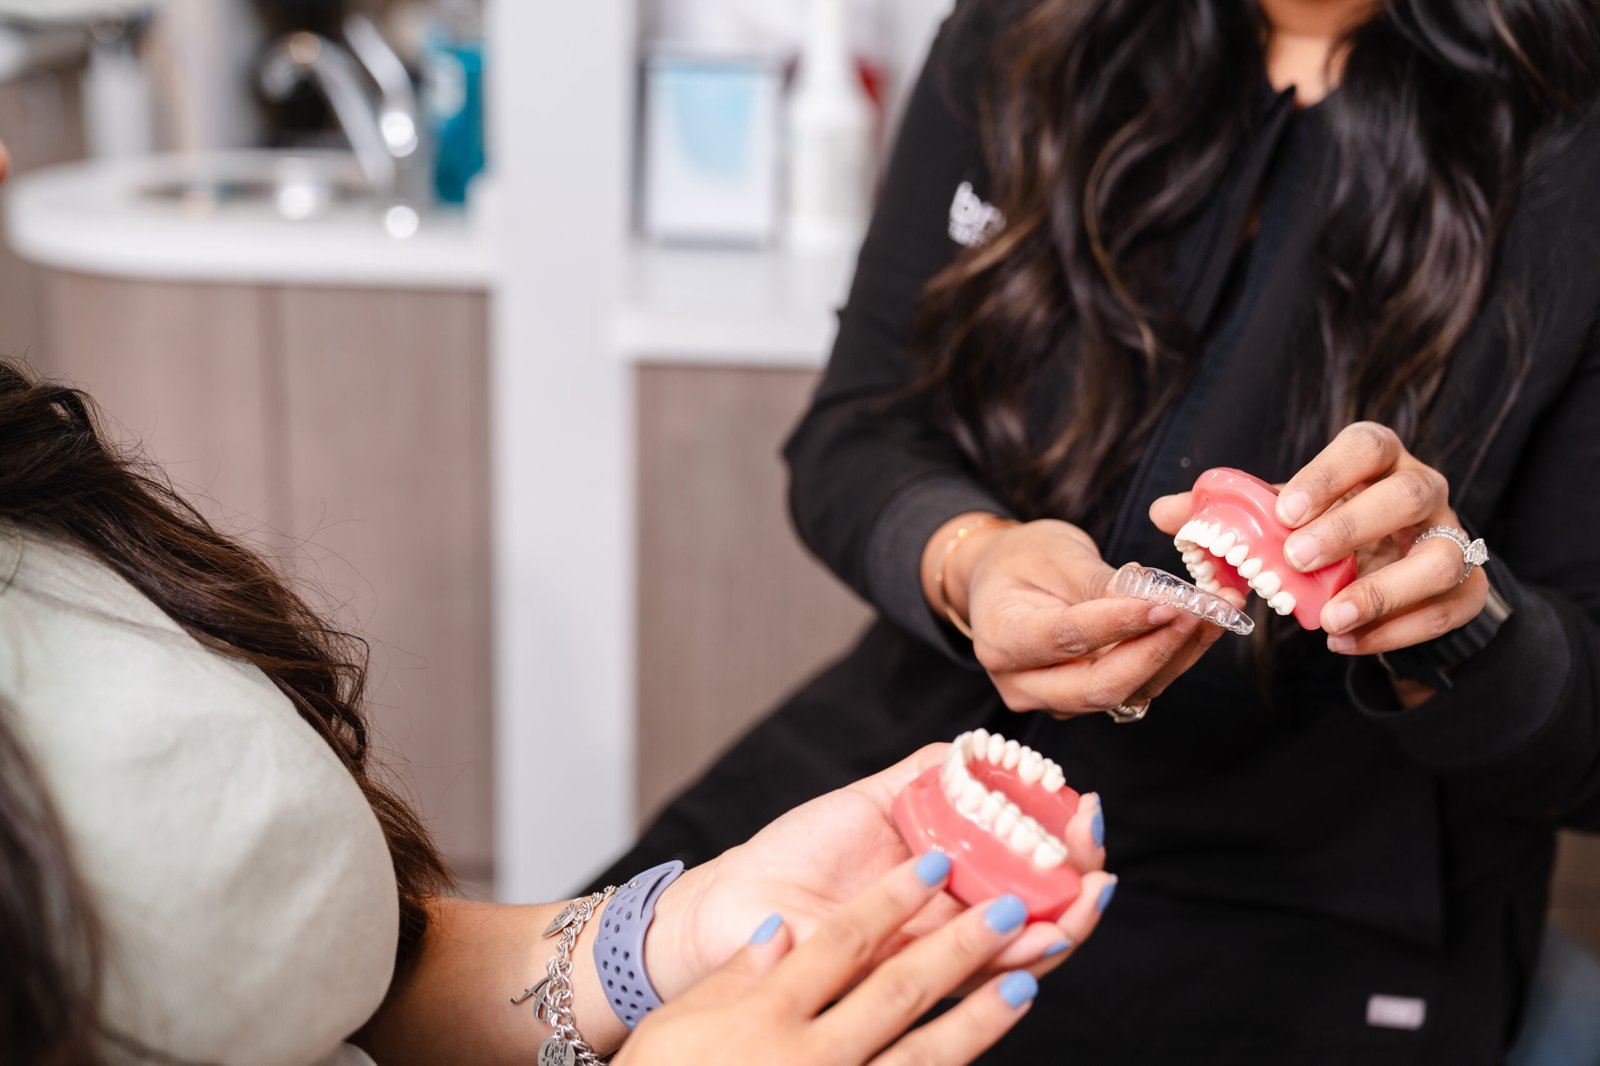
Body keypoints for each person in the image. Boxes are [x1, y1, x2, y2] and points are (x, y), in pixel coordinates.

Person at [590, 0, 1600, 1062]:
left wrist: (1454, 622)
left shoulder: (1569, 145)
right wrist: (972, 557)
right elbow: (858, 428)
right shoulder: (1025, 33)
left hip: (1306, 916)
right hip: (900, 776)